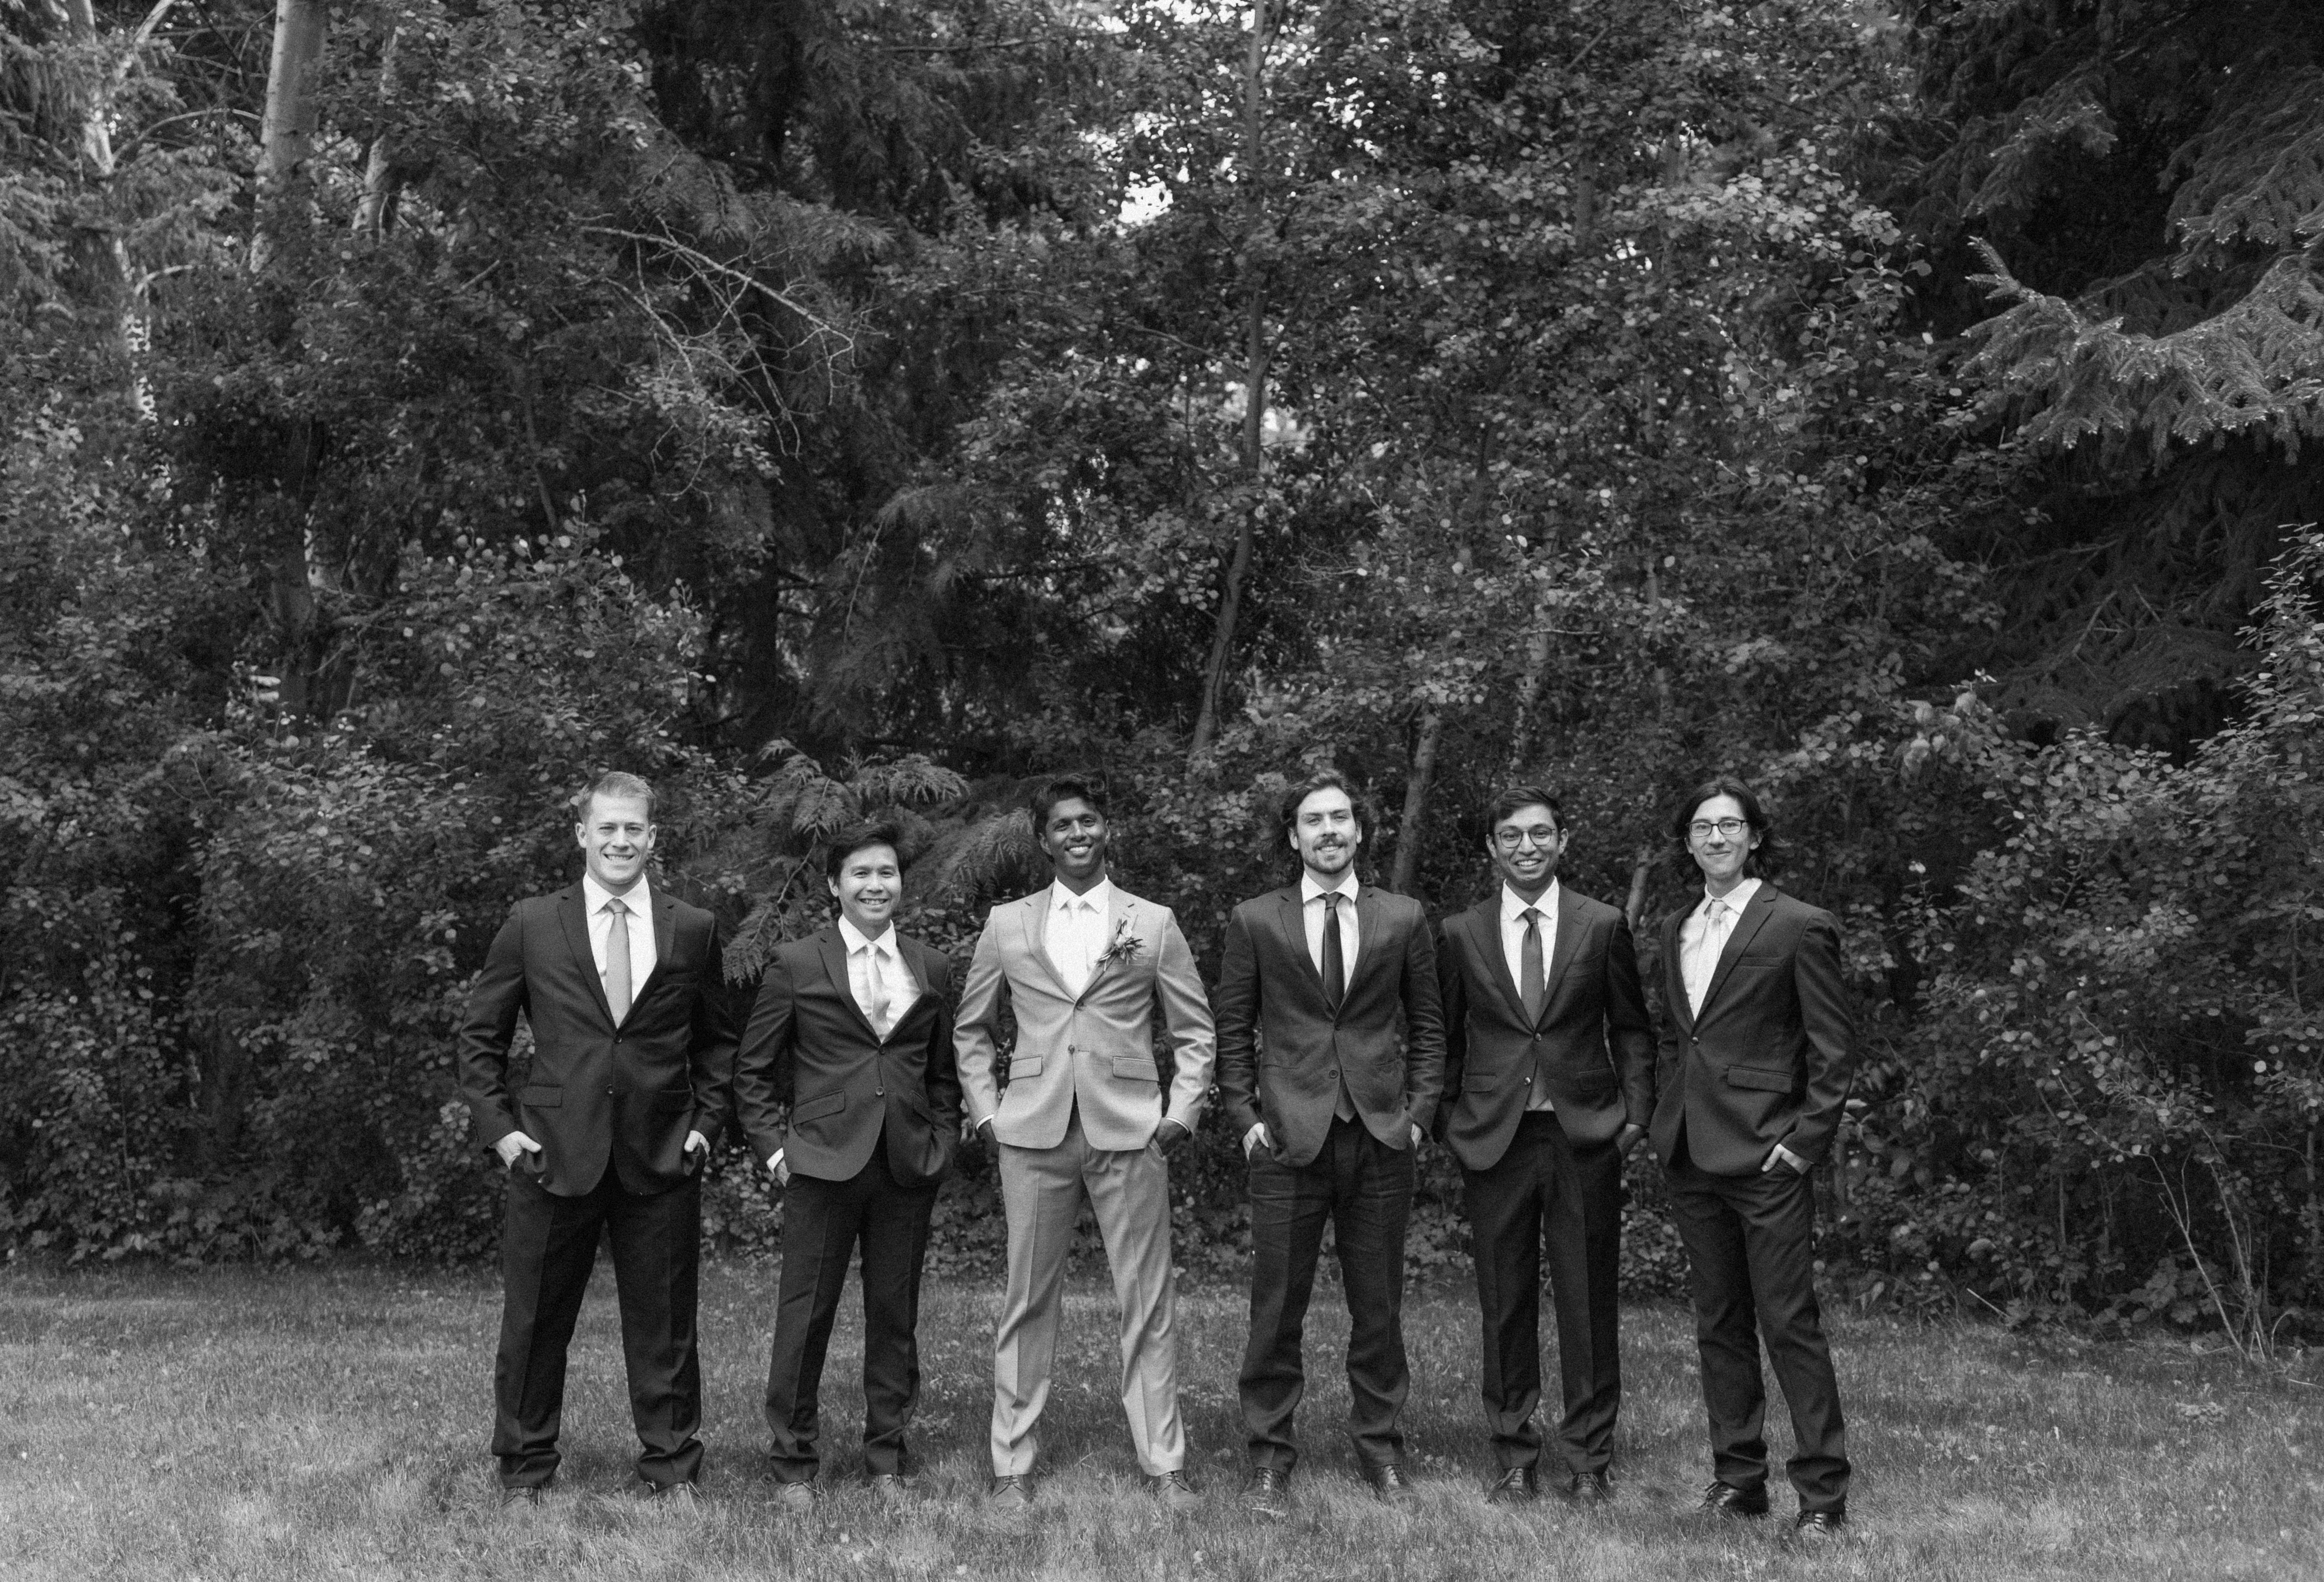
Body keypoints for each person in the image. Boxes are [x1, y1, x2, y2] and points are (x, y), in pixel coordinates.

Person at [456, 771, 738, 1507]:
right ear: (581, 834)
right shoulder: (532, 923)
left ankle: (672, 1469)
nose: (620, 841)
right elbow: (479, 1035)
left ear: (653, 839)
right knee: (536, 1320)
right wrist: (502, 1133)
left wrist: (706, 1126)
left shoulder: (693, 928)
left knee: (666, 1325)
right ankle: (524, 1471)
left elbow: (718, 1043)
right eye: (606, 828)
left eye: (633, 829)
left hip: (662, 1152)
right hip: (552, 1152)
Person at [954, 773, 1216, 1509]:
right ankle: (1012, 1468)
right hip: (1032, 1132)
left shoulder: (1152, 923)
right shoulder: (1007, 924)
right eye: (1063, 825)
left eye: (1089, 821)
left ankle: (1164, 1464)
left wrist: (1181, 1113)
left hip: (1131, 1131)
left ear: (1107, 830)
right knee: (1026, 1300)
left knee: (1147, 1299)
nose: (1077, 833)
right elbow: (971, 1029)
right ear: (1043, 840)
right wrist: (986, 1116)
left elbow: (1195, 1031)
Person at [1213, 769, 1445, 1515]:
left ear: (1358, 829)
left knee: (1378, 1309)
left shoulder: (1403, 917)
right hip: (1286, 1138)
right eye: (1313, 820)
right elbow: (1232, 1031)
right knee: (1276, 1308)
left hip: (1380, 1134)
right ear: (1293, 836)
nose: (1329, 831)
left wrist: (1417, 1114)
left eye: (1340, 817)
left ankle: (1379, 1451)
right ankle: (1270, 1458)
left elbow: (1430, 1028)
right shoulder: (1256, 919)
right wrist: (1246, 1116)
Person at [1650, 776, 1856, 1539]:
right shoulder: (1676, 926)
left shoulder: (1797, 925)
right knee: (1719, 1322)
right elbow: (1686, 1040)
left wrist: (1803, 1145)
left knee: (1788, 1323)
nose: (1715, 838)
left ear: (1754, 837)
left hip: (1768, 1155)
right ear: (1687, 842)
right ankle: (1739, 1479)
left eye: (1730, 826)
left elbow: (1833, 1049)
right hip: (1691, 1153)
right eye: (1702, 828)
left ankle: (1823, 1497)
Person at [733, 820, 962, 1507]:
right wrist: (777, 1151)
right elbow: (752, 1071)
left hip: (904, 1163)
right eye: (860, 874)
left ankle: (888, 1458)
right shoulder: (797, 962)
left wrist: (941, 1142)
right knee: (806, 1314)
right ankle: (793, 1464)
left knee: (895, 1316)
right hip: (821, 1163)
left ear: (900, 884)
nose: (874, 885)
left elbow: (942, 1071)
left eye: (886, 873)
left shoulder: (931, 967)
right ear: (834, 885)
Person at [1435, 786, 1653, 1505]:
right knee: (1504, 1298)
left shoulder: (1601, 925)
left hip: (1582, 1132)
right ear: (1492, 849)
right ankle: (1514, 1452)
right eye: (1510, 836)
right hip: (1495, 1138)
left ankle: (1589, 1460)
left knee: (1588, 1299)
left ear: (1562, 841)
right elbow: (1443, 1035)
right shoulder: (1462, 933)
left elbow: (1630, 1028)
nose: (1525, 847)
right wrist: (1444, 1120)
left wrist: (1634, 1115)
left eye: (1539, 834)